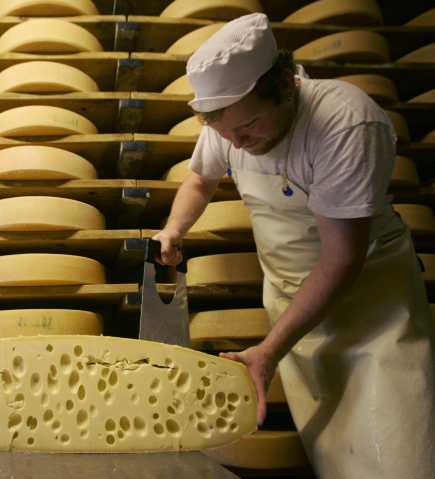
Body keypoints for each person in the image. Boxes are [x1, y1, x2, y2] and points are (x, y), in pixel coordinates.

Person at [152, 13, 435, 479]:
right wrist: (174, 230)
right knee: (338, 458)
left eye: (249, 128)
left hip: (371, 304)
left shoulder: (345, 125)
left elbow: (342, 257)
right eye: (225, 135)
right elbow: (200, 180)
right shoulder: (230, 119)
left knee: (399, 454)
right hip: (291, 305)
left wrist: (269, 349)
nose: (238, 143)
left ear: (285, 84)